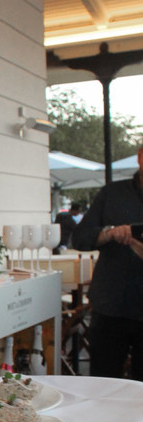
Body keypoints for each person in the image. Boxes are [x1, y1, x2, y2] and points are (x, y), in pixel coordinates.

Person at [72, 145, 143, 379]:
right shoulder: (112, 193)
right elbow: (80, 238)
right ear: (140, 157)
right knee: (103, 383)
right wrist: (109, 233)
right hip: (110, 306)